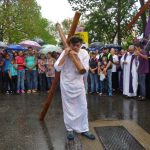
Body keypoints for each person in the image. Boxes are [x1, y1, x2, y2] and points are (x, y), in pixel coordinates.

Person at [54, 36, 95, 141]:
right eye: (75, 45)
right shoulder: (65, 51)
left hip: (78, 84)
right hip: (66, 84)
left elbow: (84, 69)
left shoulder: (84, 53)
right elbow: (57, 67)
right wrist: (66, 55)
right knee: (68, 107)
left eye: (79, 45)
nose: (77, 47)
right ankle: (69, 129)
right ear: (70, 44)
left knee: (82, 106)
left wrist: (76, 57)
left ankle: (84, 129)